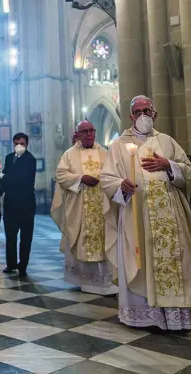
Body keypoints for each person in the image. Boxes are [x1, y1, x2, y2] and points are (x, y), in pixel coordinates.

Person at [100, 95, 191, 330]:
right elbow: (107, 179)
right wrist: (120, 186)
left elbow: (190, 170)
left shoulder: (167, 141)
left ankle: (176, 319)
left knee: (174, 262)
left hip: (170, 213)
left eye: (147, 111)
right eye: (138, 112)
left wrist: (169, 166)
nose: (143, 115)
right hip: (137, 214)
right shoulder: (118, 146)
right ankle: (144, 316)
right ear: (130, 116)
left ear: (155, 114)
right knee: (141, 260)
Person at [51, 120, 118, 295]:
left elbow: (114, 174)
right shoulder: (69, 154)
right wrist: (81, 179)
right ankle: (86, 280)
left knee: (106, 241)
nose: (89, 134)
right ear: (78, 134)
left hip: (102, 207)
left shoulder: (105, 153)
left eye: (91, 130)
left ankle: (106, 280)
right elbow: (61, 175)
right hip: (81, 207)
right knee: (82, 242)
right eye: (85, 131)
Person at [0, 132, 36, 277]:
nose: (19, 146)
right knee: (10, 236)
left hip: (26, 204)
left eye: (22, 144)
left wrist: (4, 177)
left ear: (27, 144)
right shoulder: (9, 158)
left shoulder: (30, 159)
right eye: (16, 144)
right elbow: (5, 181)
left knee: (26, 237)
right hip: (10, 204)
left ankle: (23, 265)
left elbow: (23, 179)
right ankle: (11, 263)